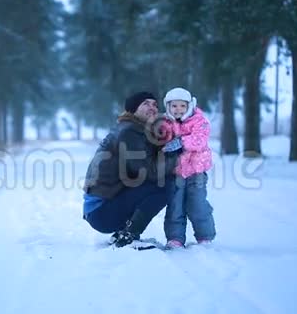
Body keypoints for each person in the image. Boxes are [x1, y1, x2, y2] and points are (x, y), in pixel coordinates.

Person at [82, 91, 177, 248]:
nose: (152, 107)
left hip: (101, 209)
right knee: (164, 185)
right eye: (145, 104)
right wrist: (177, 156)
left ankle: (124, 233)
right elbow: (151, 172)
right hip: (102, 211)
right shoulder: (129, 132)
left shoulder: (135, 130)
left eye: (154, 104)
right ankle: (128, 236)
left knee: (161, 182)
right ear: (133, 109)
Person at [159, 87, 216, 249]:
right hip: (175, 171)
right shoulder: (165, 123)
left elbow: (199, 139)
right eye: (174, 106)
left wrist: (180, 142)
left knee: (197, 204)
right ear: (168, 107)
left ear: (189, 106)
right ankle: (175, 238)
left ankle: (205, 236)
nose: (178, 109)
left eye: (182, 106)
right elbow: (160, 140)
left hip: (196, 171)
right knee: (175, 205)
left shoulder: (199, 121)